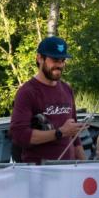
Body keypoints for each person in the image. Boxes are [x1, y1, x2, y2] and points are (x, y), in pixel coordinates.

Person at [9, 36, 86, 164]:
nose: (60, 65)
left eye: (62, 60)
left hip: (68, 172)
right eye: (55, 60)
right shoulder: (27, 92)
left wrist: (86, 167)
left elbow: (74, 136)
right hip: (39, 174)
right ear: (39, 58)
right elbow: (19, 135)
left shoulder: (67, 89)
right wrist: (59, 133)